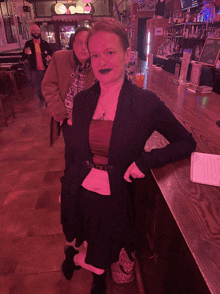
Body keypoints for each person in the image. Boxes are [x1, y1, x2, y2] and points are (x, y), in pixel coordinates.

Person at [60, 18, 197, 293]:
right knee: (88, 237)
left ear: (128, 54)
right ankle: (92, 270)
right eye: (95, 54)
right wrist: (65, 185)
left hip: (117, 195)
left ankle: (88, 266)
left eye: (109, 52)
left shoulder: (146, 104)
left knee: (106, 247)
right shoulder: (83, 100)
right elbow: (73, 150)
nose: (101, 61)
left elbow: (186, 142)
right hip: (82, 188)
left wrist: (145, 161)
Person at [41, 26, 95, 145]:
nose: (83, 48)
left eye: (87, 43)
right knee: (71, 151)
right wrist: (61, 115)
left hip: (89, 121)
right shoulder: (59, 58)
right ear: (73, 44)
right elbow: (48, 86)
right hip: (65, 119)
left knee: (88, 150)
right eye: (80, 43)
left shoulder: (97, 62)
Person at [22, 24, 52, 108]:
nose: (36, 32)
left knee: (46, 86)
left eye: (37, 30)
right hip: (34, 69)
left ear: (40, 32)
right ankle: (41, 99)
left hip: (45, 69)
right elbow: (23, 56)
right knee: (37, 87)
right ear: (31, 32)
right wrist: (25, 55)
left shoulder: (45, 43)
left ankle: (47, 101)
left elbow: (51, 52)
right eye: (34, 30)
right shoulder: (28, 44)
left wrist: (50, 56)